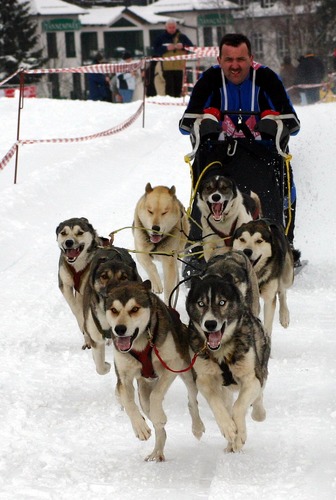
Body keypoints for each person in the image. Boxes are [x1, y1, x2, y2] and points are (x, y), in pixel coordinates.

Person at [179, 33, 301, 269]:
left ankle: (282, 244)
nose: (235, 66)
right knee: (203, 177)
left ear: (251, 58)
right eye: (229, 59)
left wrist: (273, 124)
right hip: (219, 157)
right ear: (220, 59)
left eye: (241, 59)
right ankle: (198, 249)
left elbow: (293, 124)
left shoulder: (266, 79)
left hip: (261, 155)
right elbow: (186, 125)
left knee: (285, 185)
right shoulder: (209, 80)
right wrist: (205, 123)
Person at [153, 19, 193, 97]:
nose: (171, 29)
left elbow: (191, 47)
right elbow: (155, 50)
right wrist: (166, 48)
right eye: (170, 27)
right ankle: (170, 102)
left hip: (179, 66)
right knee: (169, 87)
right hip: (166, 67)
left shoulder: (182, 37)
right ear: (166, 28)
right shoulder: (161, 38)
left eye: (173, 27)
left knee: (179, 87)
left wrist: (183, 46)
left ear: (176, 27)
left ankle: (178, 101)